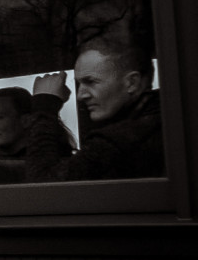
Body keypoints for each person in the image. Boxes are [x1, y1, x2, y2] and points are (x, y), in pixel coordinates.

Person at [27, 42, 162, 181]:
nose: (80, 95)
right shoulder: (160, 123)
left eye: (90, 82)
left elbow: (44, 185)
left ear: (132, 83)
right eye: (79, 84)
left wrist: (45, 107)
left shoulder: (117, 142)